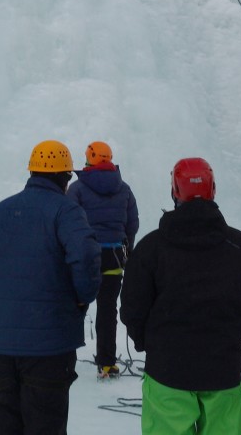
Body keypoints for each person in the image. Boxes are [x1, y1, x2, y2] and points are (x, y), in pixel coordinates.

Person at [120, 157, 241, 435]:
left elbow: (132, 308)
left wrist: (149, 343)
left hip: (167, 372)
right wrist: (233, 334)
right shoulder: (239, 245)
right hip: (222, 370)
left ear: (175, 192)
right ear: (213, 190)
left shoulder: (151, 248)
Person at [0, 139, 101, 435]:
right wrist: (82, 299)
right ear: (63, 176)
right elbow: (85, 256)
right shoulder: (66, 211)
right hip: (48, 345)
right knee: (45, 422)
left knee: (6, 416)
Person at [67, 140, 139, 379]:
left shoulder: (77, 189)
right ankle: (107, 363)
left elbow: (69, 223)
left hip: (85, 256)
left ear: (88, 160)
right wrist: (126, 246)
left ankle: (65, 360)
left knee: (75, 307)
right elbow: (132, 223)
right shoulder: (124, 188)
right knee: (107, 310)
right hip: (114, 256)